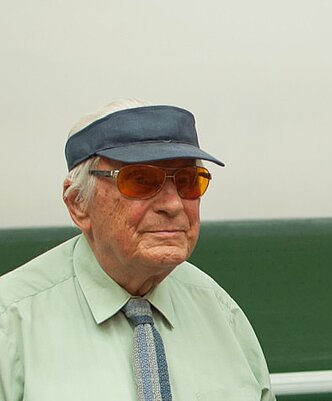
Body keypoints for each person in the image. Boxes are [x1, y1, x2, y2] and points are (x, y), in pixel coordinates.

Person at [0, 99, 275, 400]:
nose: (173, 204)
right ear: (78, 203)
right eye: (141, 181)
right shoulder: (12, 323)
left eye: (188, 181)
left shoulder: (222, 314)